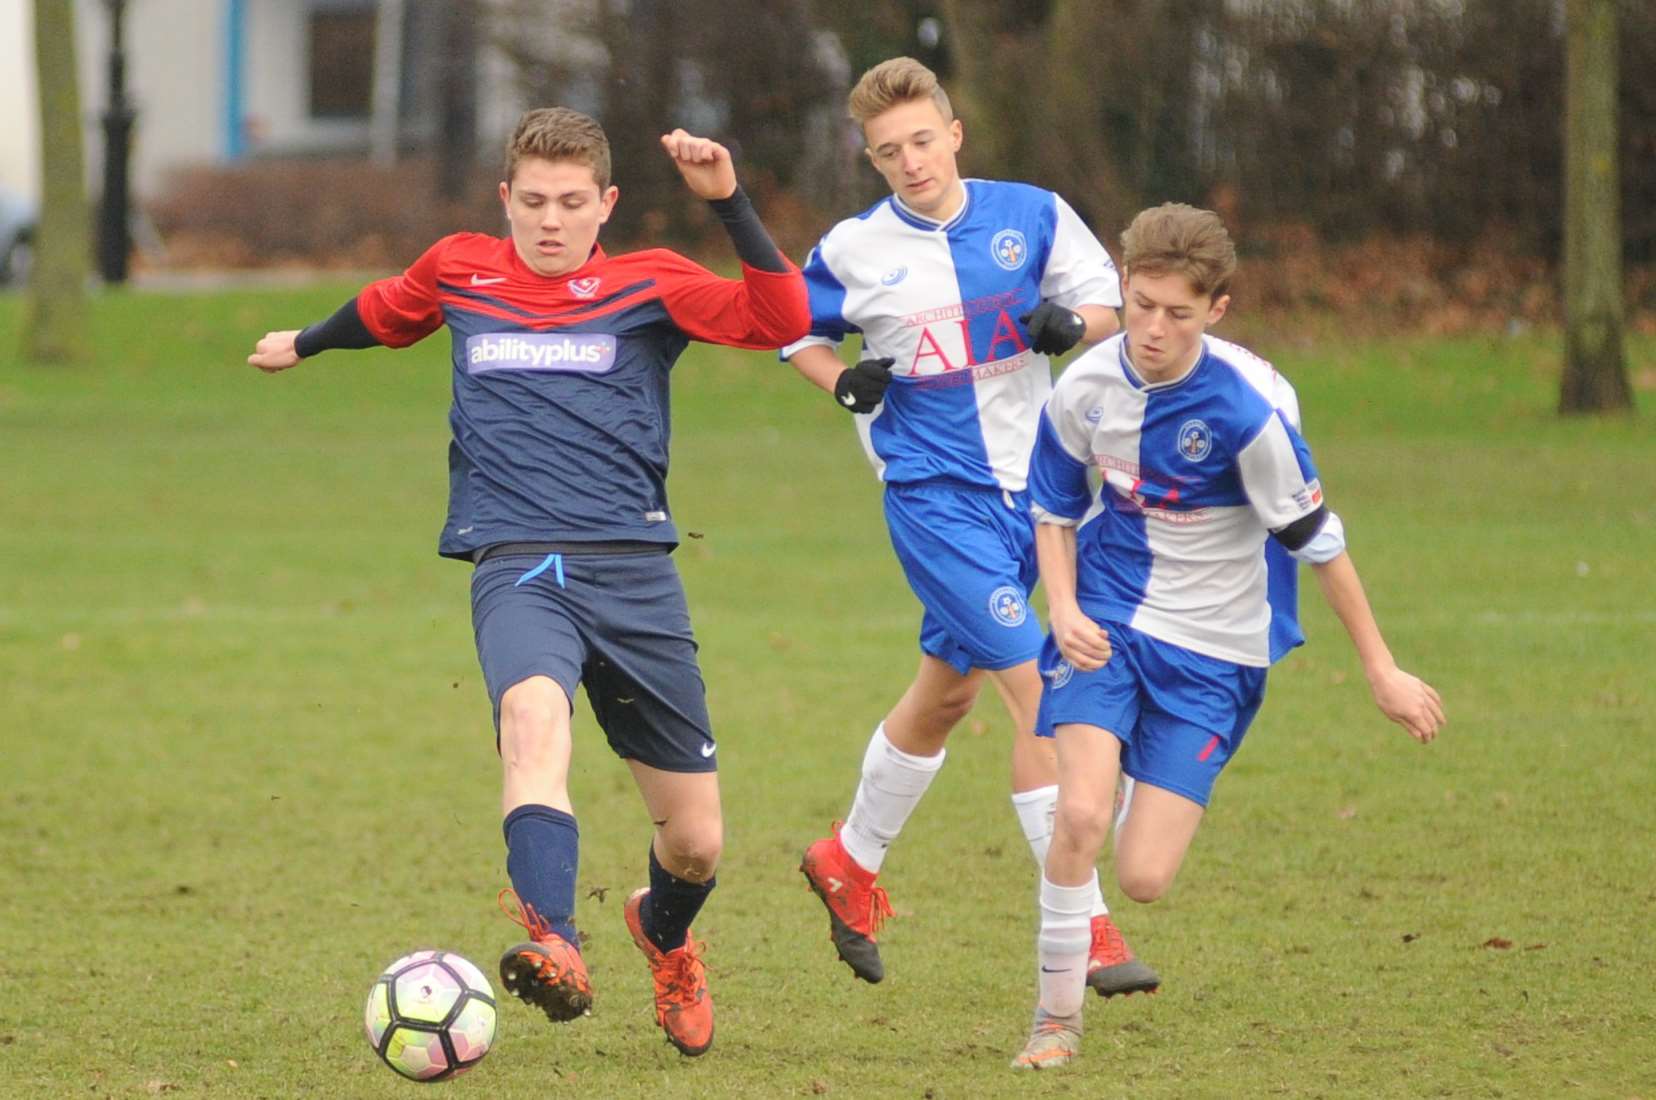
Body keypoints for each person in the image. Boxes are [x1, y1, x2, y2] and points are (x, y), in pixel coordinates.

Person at [245, 107, 809, 1058]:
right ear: (507, 199)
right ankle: (558, 940)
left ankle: (662, 932)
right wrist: (305, 341)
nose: (551, 222)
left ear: (607, 204)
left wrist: (730, 204)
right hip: (517, 562)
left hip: (633, 574)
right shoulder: (463, 269)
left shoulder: (650, 284)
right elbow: (386, 310)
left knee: (697, 845)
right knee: (533, 723)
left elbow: (781, 320)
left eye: (573, 204)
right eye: (535, 202)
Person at [1010, 203, 1446, 1070]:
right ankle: (1053, 1024)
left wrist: (1382, 669)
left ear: (1217, 309)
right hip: (1110, 621)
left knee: (1143, 877)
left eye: (1178, 312)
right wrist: (1060, 607)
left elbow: (1320, 544)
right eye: (1140, 305)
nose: (1153, 330)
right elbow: (1054, 510)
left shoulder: (1249, 412)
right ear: (1123, 290)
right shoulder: (1085, 387)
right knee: (1082, 813)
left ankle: (1134, 760)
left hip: (1218, 655)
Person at [783, 56, 1158, 997]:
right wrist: (842, 381)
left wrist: (1071, 324)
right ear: (872, 162)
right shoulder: (855, 247)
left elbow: (1108, 308)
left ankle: (847, 860)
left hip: (1029, 497)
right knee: (1041, 691)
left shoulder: (1031, 212)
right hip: (932, 496)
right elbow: (791, 327)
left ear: (953, 134)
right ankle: (1090, 928)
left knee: (945, 694)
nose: (909, 162)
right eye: (887, 153)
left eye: (921, 141)